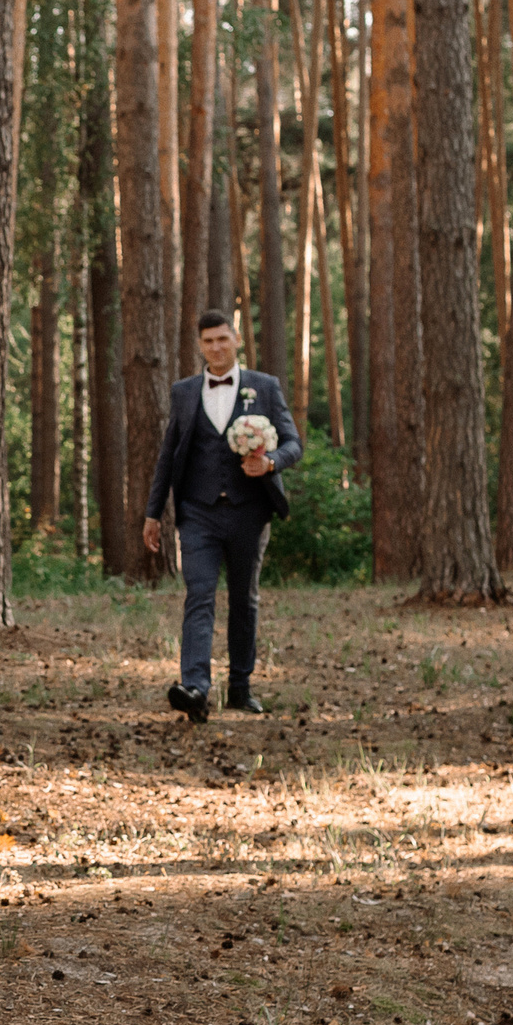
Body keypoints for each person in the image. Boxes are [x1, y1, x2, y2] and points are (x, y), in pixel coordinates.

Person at [141, 309, 303, 721]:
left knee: (244, 600)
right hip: (198, 512)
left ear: (236, 340)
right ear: (200, 345)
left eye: (222, 339)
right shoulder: (184, 391)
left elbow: (292, 444)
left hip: (250, 511)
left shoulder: (264, 387)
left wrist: (269, 464)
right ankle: (195, 687)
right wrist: (153, 512)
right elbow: (168, 456)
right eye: (208, 341)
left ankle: (240, 687)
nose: (215, 347)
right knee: (199, 594)